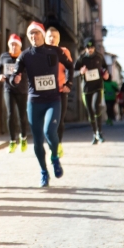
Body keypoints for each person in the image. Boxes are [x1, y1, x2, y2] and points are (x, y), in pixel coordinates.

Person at [13, 21, 73, 187]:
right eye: (31, 34)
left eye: (37, 33)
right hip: (34, 101)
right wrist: (15, 78)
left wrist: (69, 83)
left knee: (49, 131)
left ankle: (54, 157)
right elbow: (16, 72)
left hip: (53, 100)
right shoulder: (25, 55)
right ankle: (44, 172)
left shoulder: (54, 51)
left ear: (42, 34)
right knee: (38, 141)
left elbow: (69, 65)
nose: (34, 36)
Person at [0, 34, 29, 154]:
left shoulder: (24, 57)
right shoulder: (4, 56)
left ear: (20, 46)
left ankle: (23, 137)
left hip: (22, 90)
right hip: (8, 89)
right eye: (11, 44)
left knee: (22, 116)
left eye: (16, 44)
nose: (13, 47)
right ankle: (12, 140)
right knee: (10, 114)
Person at [45, 27, 73, 157]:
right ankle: (52, 144)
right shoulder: (40, 52)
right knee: (47, 122)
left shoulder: (63, 51)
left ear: (58, 39)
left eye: (54, 37)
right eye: (49, 36)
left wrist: (68, 83)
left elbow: (69, 68)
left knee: (59, 120)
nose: (52, 39)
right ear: (45, 37)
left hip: (60, 91)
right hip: (44, 92)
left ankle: (58, 145)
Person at [74, 39, 108, 144]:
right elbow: (73, 72)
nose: (90, 50)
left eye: (92, 47)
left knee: (95, 107)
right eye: (88, 48)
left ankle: (100, 133)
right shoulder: (81, 58)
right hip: (86, 89)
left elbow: (105, 69)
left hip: (98, 87)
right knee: (90, 112)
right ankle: (94, 134)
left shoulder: (99, 57)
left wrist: (106, 75)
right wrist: (80, 72)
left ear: (94, 47)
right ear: (85, 48)